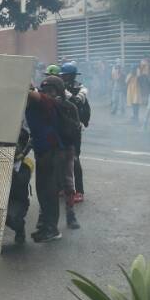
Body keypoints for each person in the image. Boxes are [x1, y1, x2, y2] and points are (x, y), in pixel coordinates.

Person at [26, 75, 68, 242]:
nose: (47, 92)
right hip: (43, 151)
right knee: (43, 190)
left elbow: (33, 94)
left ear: (56, 92)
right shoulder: (43, 101)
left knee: (49, 192)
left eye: (50, 90)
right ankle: (45, 226)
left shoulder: (49, 102)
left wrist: (20, 83)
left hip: (52, 151)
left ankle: (52, 229)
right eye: (45, 90)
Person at [60, 62, 88, 207]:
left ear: (71, 76)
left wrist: (82, 123)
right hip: (61, 128)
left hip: (74, 130)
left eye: (65, 75)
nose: (63, 78)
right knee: (60, 157)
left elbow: (84, 108)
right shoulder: (59, 88)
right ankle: (63, 187)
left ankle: (79, 191)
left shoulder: (80, 90)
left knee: (75, 159)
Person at [5, 129, 34, 245]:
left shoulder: (27, 163)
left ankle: (20, 229)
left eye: (18, 145)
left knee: (11, 217)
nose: (15, 148)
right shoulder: (1, 157)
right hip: (0, 195)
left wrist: (10, 168)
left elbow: (20, 182)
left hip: (17, 200)